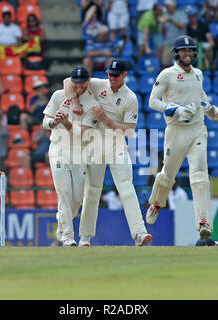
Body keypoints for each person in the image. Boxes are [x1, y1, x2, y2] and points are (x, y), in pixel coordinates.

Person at [64, 58, 153, 247]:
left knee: (126, 187)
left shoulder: (130, 98)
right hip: (95, 143)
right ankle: (85, 238)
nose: (111, 78)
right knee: (93, 190)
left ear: (124, 75)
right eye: (109, 74)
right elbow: (68, 82)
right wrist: (74, 102)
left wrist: (108, 121)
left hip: (116, 143)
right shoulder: (98, 85)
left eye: (115, 75)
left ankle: (139, 233)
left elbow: (129, 130)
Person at [145, 35, 218, 245]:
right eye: (183, 51)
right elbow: (152, 101)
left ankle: (204, 223)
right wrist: (175, 109)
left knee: (199, 176)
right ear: (177, 53)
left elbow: (199, 97)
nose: (187, 54)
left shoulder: (198, 74)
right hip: (176, 131)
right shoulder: (167, 75)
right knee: (168, 175)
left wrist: (210, 109)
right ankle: (156, 203)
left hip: (198, 130)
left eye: (190, 51)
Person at [42, 66, 98, 246]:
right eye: (76, 82)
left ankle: (62, 221)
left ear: (88, 81)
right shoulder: (59, 95)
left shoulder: (92, 104)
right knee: (64, 194)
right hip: (58, 148)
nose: (79, 85)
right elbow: (45, 122)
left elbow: (83, 134)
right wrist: (54, 121)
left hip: (79, 151)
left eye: (83, 82)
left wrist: (65, 123)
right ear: (72, 82)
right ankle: (67, 237)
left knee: (76, 199)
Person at [161, 0, 188, 68]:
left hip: (180, 45)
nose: (166, 8)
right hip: (168, 43)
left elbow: (182, 26)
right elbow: (163, 30)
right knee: (164, 64)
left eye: (168, 7)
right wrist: (163, 24)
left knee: (181, 65)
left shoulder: (181, 14)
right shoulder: (166, 15)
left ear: (173, 6)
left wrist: (171, 20)